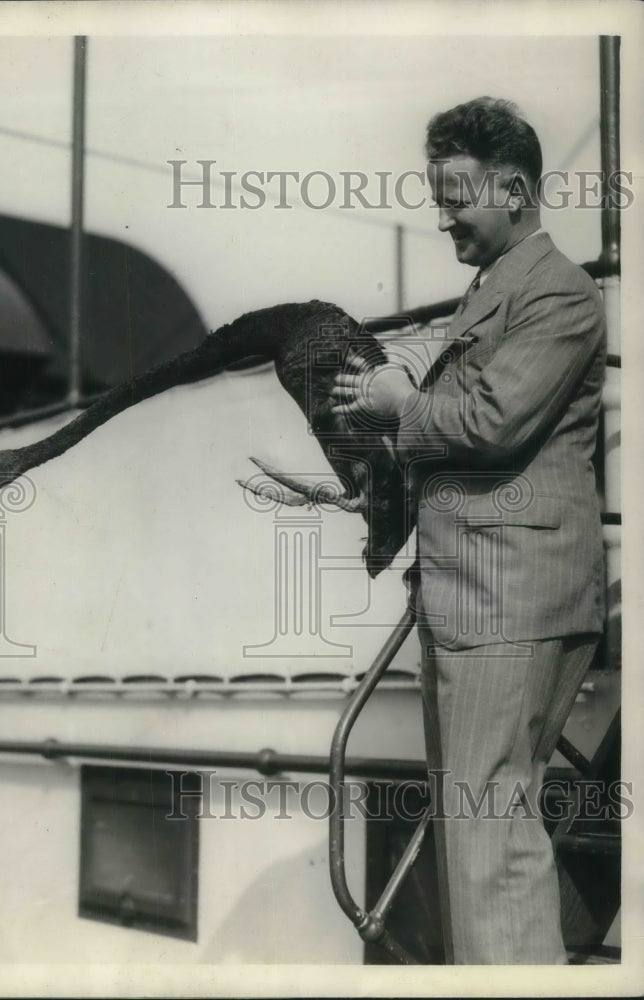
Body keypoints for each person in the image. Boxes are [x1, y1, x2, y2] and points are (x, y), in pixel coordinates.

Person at [332, 97, 606, 964]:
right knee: (480, 824)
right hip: (475, 596)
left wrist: (397, 405)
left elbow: (490, 423)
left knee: (489, 838)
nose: (440, 214)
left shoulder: (560, 293)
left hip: (507, 602)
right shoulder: (497, 290)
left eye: (455, 195)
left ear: (516, 188)